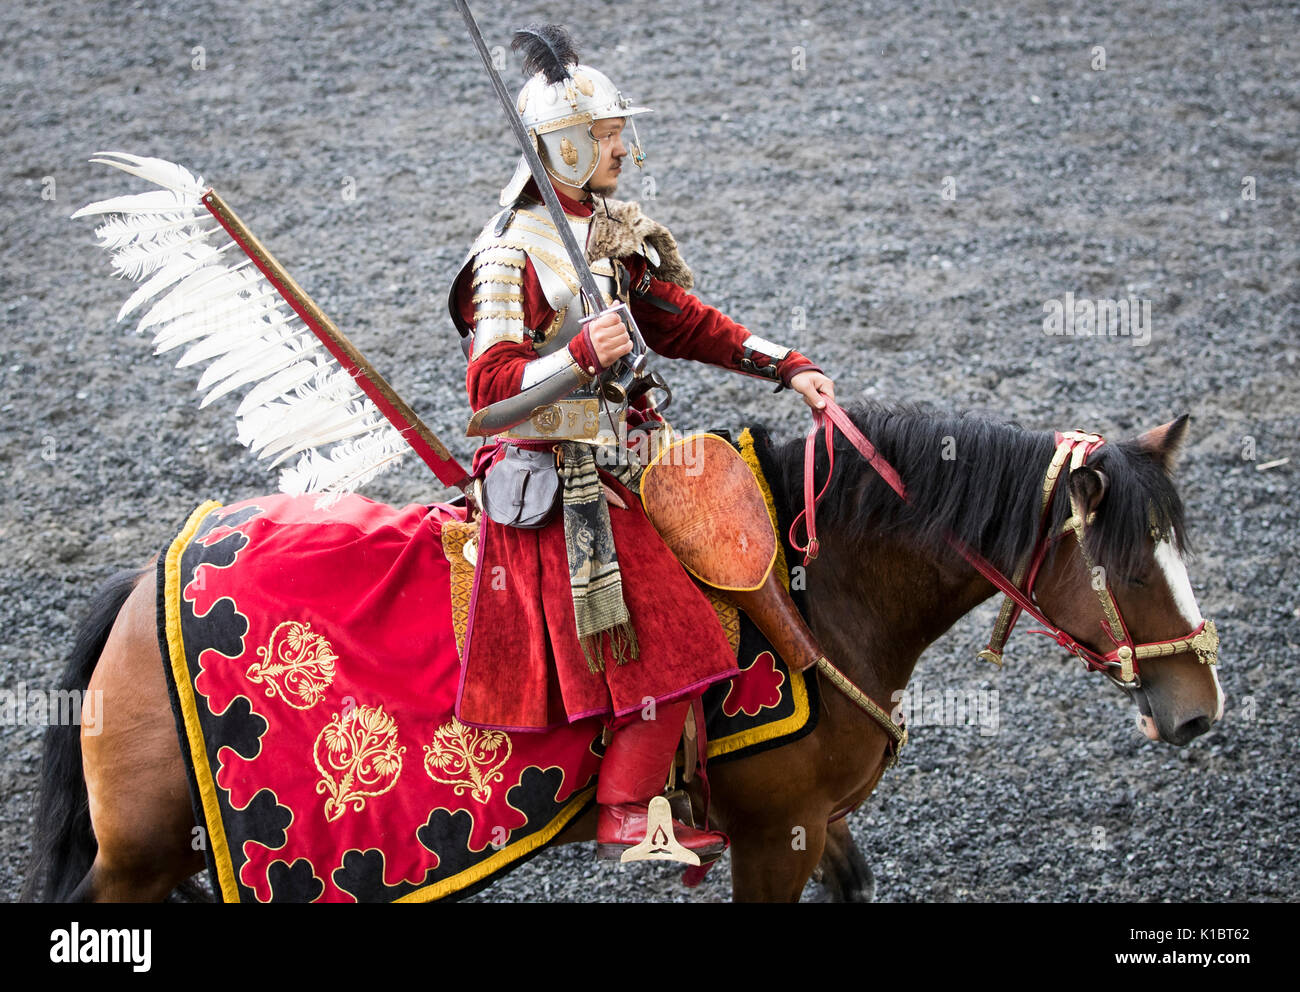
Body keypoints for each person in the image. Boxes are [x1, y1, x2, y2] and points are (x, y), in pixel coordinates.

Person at [446, 24, 835, 863]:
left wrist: (785, 365)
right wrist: (580, 353)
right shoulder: (508, 259)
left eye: (622, 131)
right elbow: (487, 399)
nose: (627, 147)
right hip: (554, 466)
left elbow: (680, 319)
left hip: (625, 446)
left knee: (728, 504)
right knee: (673, 626)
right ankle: (626, 811)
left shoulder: (607, 231)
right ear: (569, 145)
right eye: (611, 135)